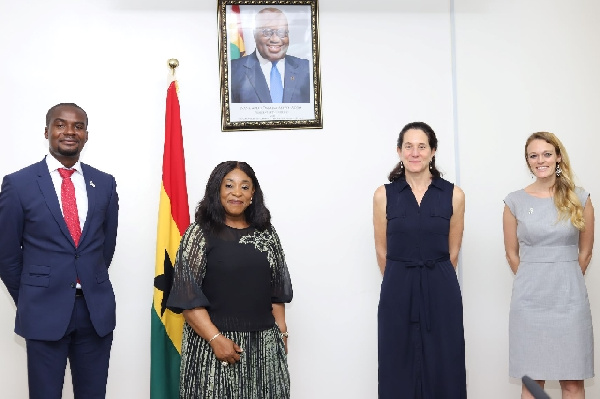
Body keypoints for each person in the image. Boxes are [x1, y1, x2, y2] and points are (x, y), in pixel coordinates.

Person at [0, 103, 119, 399]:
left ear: (86, 135)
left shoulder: (104, 183)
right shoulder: (18, 184)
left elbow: (106, 246)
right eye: (60, 124)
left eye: (78, 126)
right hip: (43, 310)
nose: (69, 131)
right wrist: (32, 294)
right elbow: (6, 255)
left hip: (95, 313)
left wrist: (87, 282)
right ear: (47, 131)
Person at [167, 161, 293, 399]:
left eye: (245, 187)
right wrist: (216, 339)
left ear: (253, 193)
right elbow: (187, 297)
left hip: (264, 350)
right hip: (213, 350)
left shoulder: (267, 233)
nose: (237, 193)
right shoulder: (198, 233)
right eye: (229, 185)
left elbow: (277, 292)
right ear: (217, 190)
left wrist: (282, 335)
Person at [373, 122, 467, 398]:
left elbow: (454, 250)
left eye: (422, 146)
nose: (415, 153)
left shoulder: (454, 195)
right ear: (399, 151)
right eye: (408, 146)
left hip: (440, 284)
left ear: (433, 151)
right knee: (396, 357)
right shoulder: (383, 195)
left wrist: (434, 280)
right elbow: (381, 250)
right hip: (397, 284)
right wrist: (399, 281)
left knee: (444, 358)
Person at [503, 132, 594, 399]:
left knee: (573, 381)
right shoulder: (514, 201)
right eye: (533, 155)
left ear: (557, 157)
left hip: (570, 299)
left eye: (546, 154)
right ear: (528, 161)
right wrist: (535, 276)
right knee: (532, 381)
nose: (540, 160)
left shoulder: (581, 198)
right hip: (529, 301)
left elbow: (586, 251)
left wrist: (564, 275)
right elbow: (511, 253)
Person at [230, 7, 311, 103]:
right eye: (267, 32)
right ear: (254, 34)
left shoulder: (307, 69)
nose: (275, 39)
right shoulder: (233, 70)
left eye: (281, 32)